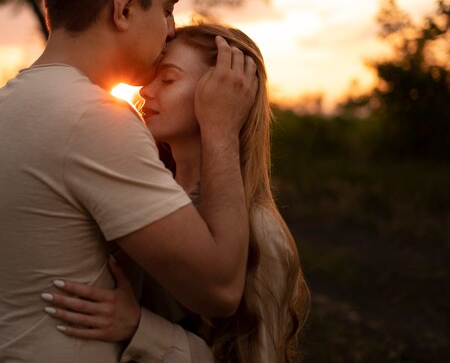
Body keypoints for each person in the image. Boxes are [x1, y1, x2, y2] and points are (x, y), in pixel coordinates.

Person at [0, 0, 259, 362]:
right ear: (125, 7)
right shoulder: (92, 118)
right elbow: (220, 289)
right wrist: (220, 129)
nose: (171, 31)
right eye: (168, 10)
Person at [41, 22, 311, 363]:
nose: (144, 92)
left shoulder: (261, 230)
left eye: (167, 79)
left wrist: (140, 328)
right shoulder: (150, 200)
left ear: (224, 94)